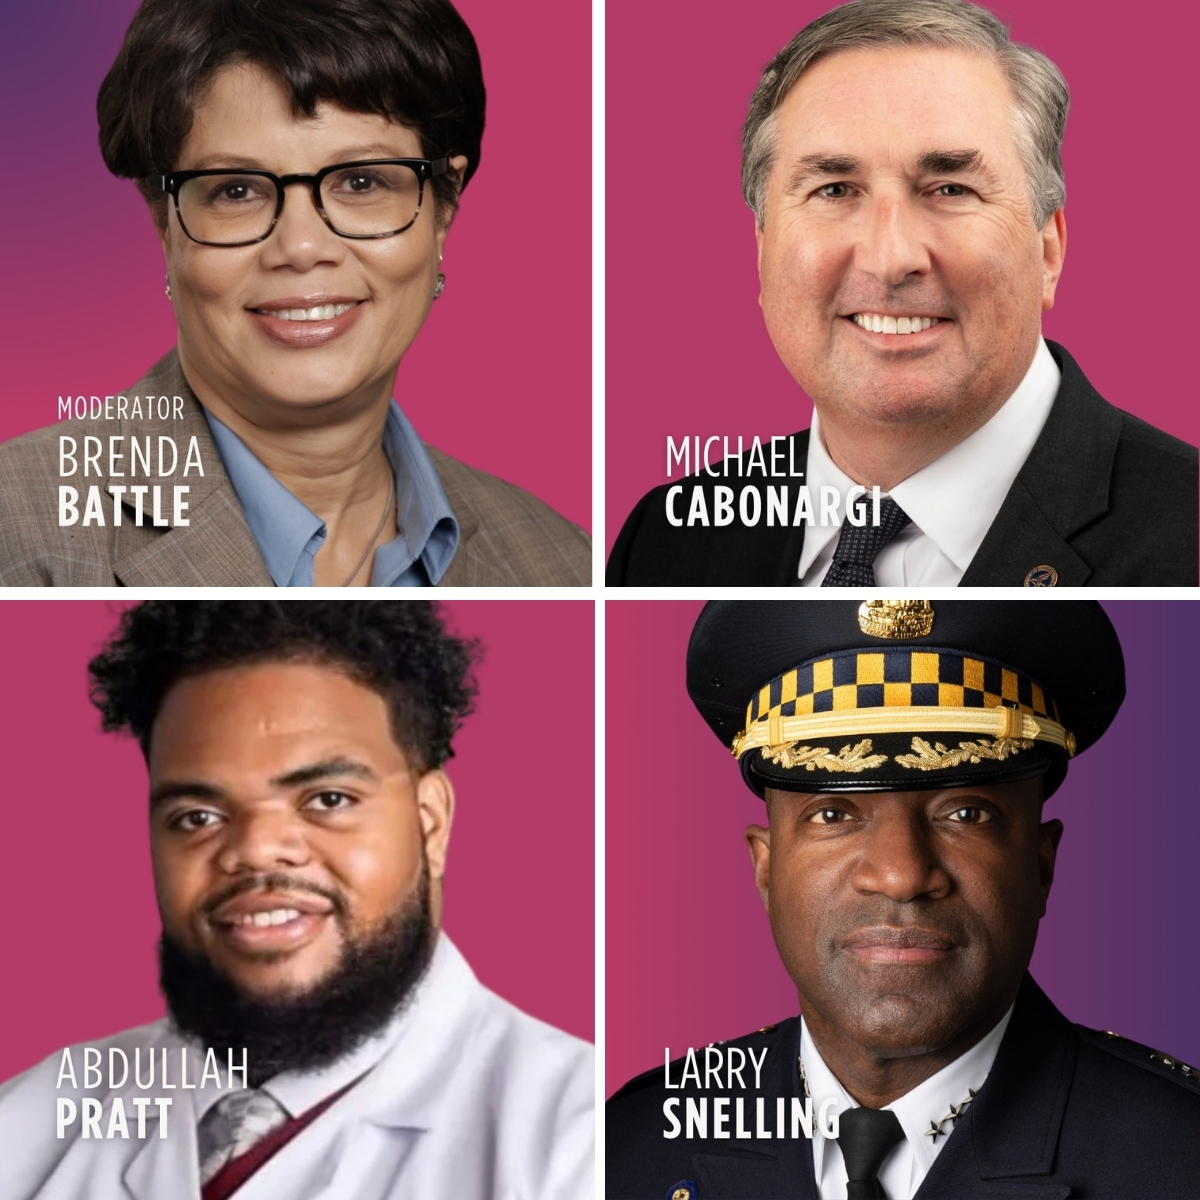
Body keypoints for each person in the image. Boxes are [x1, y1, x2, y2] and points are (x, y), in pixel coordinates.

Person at [606, 599, 1200, 1198]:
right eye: (833, 813)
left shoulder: (1181, 1156)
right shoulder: (626, 1148)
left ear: (1041, 865)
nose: (900, 875)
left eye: (966, 813)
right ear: (766, 869)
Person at [0, 602, 593, 1200]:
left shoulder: (584, 1138)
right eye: (197, 816)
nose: (256, 850)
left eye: (328, 799)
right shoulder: (32, 1120)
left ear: (430, 823)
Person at [0, 0, 590, 586]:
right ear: (165, 224)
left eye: (361, 182)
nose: (303, 247)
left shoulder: (559, 560)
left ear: (443, 210)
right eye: (236, 191)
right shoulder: (19, 528)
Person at [608, 0, 1197, 587]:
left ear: (1048, 250)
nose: (891, 259)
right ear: (763, 248)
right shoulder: (665, 544)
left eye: (950, 188)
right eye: (835, 189)